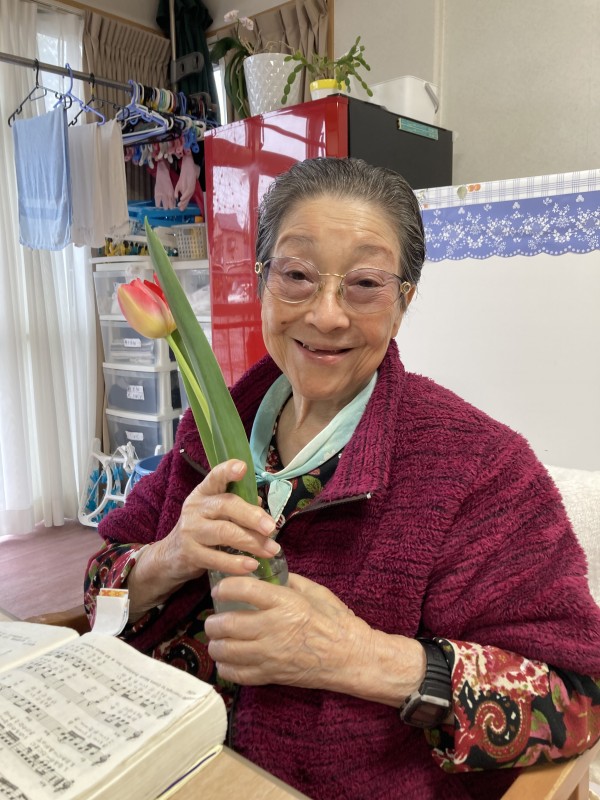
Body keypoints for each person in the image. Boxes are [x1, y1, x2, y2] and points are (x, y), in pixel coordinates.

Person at [85, 157, 600, 800]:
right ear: (262, 281)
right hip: (151, 762)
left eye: (364, 284)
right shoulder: (212, 428)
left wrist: (355, 655)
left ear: (403, 301)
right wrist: (168, 557)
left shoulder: (480, 468)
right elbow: (101, 580)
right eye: (297, 275)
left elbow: (577, 698)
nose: (326, 316)